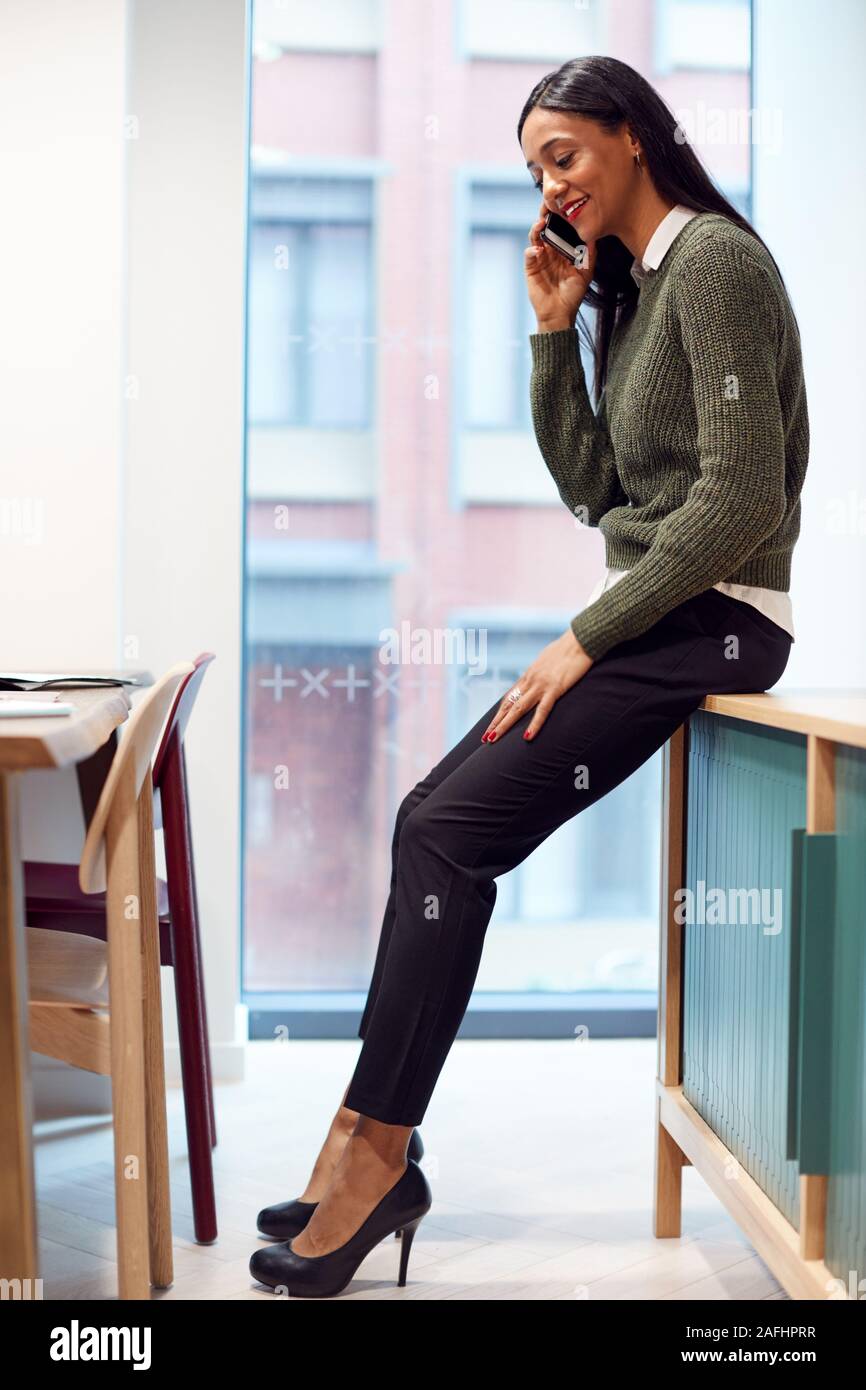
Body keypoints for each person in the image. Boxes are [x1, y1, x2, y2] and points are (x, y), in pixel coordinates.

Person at [249, 54, 808, 1299]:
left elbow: (738, 496)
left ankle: (378, 1155)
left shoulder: (713, 261)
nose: (549, 186)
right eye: (532, 170)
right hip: (663, 611)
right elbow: (593, 492)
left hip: (717, 620)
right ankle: (360, 1138)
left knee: (447, 832)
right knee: (425, 824)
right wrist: (555, 330)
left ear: (631, 134)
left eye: (564, 155)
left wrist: (589, 635)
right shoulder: (636, 289)